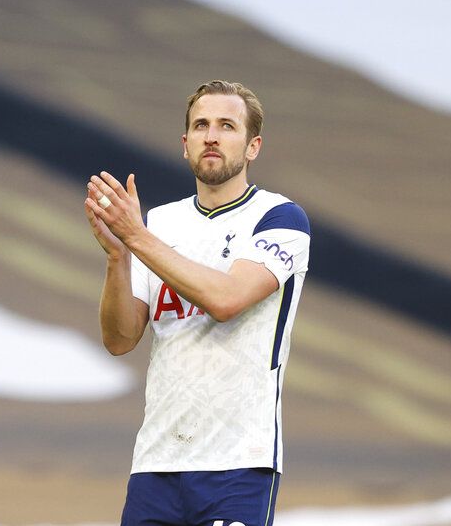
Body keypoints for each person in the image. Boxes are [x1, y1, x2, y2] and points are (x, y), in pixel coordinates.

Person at [84, 80, 310, 526]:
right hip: (157, 461)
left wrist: (136, 238)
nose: (211, 135)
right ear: (184, 144)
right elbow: (120, 337)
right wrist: (118, 258)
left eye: (227, 126)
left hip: (238, 461)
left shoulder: (279, 218)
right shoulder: (158, 223)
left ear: (252, 147)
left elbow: (227, 300)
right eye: (201, 125)